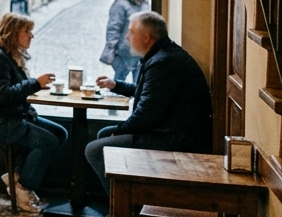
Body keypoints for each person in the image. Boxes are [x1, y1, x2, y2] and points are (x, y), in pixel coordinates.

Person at [86, 11, 212, 193]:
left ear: (146, 37)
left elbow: (147, 113)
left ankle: (125, 207)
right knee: (105, 135)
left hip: (175, 139)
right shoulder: (162, 54)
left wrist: (120, 130)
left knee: (94, 150)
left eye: (131, 32)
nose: (127, 37)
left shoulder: (163, 62)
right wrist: (116, 85)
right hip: (167, 130)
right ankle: (127, 199)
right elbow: (149, 95)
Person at [0, 12, 67, 208]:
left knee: (59, 133)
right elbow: (2, 95)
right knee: (47, 142)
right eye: (27, 31)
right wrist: (34, 83)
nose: (32, 35)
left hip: (7, 115)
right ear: (12, 33)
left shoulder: (8, 55)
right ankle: (23, 186)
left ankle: (16, 176)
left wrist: (33, 85)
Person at [101, 0, 150, 83]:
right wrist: (111, 50)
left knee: (139, 85)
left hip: (141, 52)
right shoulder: (121, 4)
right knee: (119, 83)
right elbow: (113, 28)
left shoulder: (146, 4)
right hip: (123, 52)